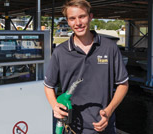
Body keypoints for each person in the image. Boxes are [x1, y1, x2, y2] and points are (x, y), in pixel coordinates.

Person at [44, 0, 129, 133]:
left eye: (82, 16)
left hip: (104, 126)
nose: (78, 23)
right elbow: (49, 85)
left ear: (90, 17)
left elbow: (123, 84)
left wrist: (109, 111)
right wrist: (55, 106)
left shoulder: (109, 47)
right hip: (73, 127)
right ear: (67, 21)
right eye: (72, 18)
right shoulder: (60, 52)